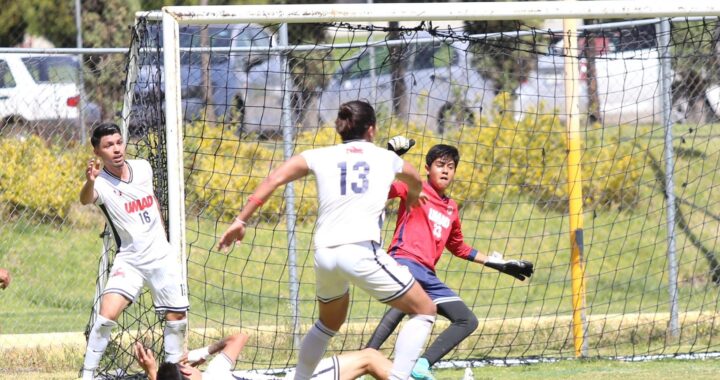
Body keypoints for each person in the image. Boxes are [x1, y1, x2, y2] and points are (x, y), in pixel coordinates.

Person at [218, 100, 437, 380]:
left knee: (328, 322)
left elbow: (275, 178)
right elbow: (415, 177)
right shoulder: (387, 158)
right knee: (424, 310)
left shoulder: (318, 155)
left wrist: (240, 220)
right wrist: (415, 194)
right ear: (372, 129)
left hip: (325, 255)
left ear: (341, 129)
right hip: (361, 251)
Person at [366, 139, 535, 380]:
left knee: (467, 320)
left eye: (451, 166)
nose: (445, 170)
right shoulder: (413, 187)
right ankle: (366, 360)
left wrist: (497, 263)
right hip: (403, 262)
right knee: (404, 303)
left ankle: (421, 366)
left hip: (427, 275)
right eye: (439, 164)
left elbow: (459, 247)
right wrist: (389, 157)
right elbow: (378, 189)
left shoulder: (451, 208)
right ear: (427, 168)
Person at [79, 123, 189, 380]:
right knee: (106, 315)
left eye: (119, 142)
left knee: (177, 318)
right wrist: (89, 181)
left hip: (161, 256)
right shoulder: (101, 184)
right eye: (108, 145)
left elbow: (152, 203)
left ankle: (172, 376)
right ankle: (87, 375)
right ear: (97, 150)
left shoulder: (143, 168)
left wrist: (164, 241)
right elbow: (86, 199)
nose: (116, 149)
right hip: (130, 260)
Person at [135, 332, 394, 380]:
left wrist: (153, 373)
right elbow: (240, 338)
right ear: (187, 371)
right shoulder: (214, 374)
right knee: (369, 358)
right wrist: (201, 353)